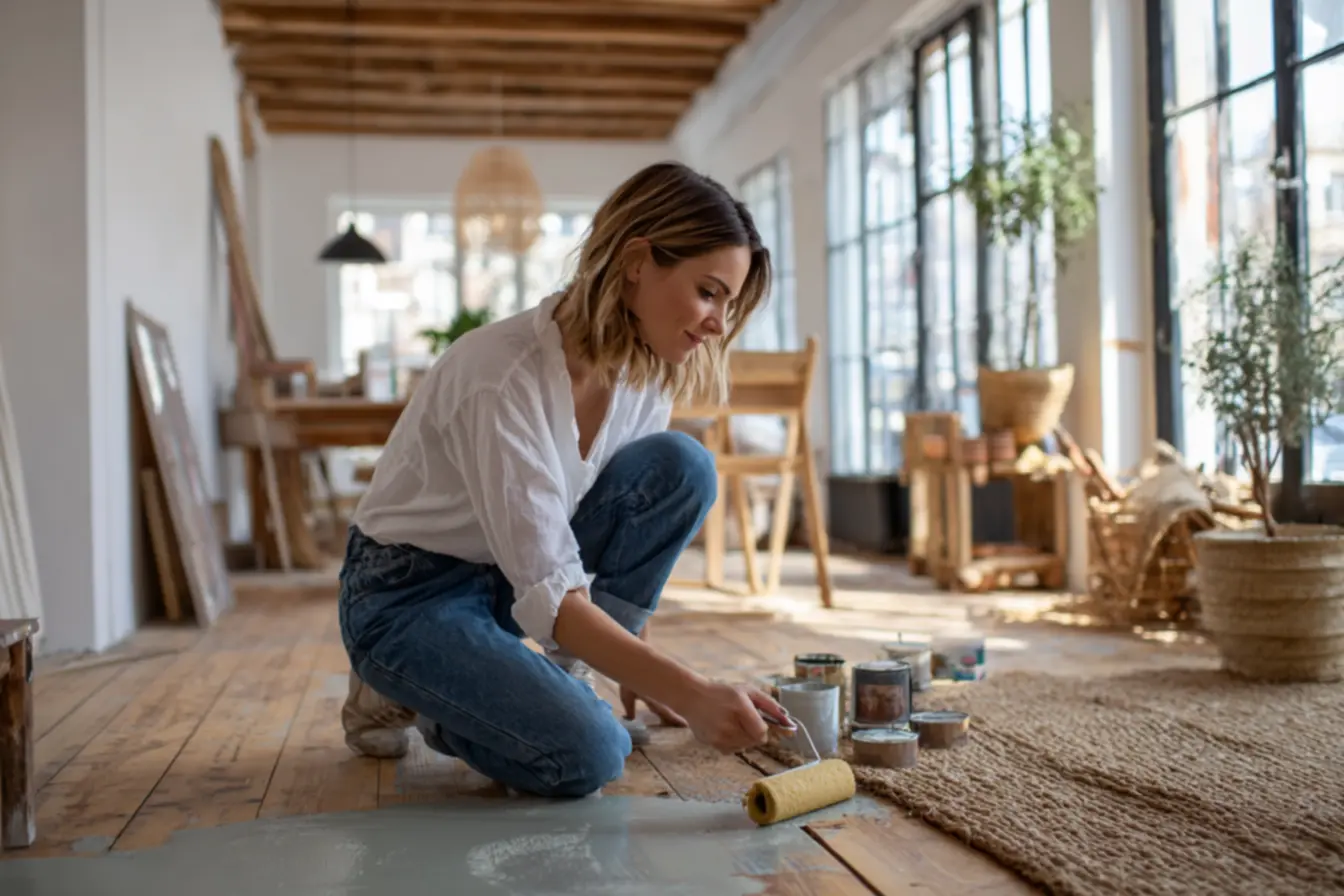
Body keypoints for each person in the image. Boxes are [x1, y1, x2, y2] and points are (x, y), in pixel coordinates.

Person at [337, 160, 791, 799]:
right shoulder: (499, 373)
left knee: (682, 465)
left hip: (503, 578)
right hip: (407, 594)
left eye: (729, 302)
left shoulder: (642, 375)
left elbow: (609, 529)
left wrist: (642, 660)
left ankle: (550, 680)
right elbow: (549, 590)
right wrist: (688, 692)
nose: (719, 323)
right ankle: (416, 690)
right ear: (638, 262)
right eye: (709, 291)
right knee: (590, 753)